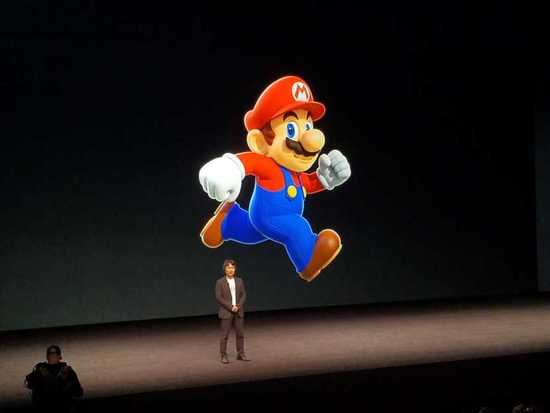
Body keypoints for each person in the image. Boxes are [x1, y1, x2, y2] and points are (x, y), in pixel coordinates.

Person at [24, 345, 83, 412]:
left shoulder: (67, 371)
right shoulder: (40, 370)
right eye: (51, 354)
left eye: (55, 353)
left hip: (62, 406)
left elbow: (78, 392)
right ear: (47, 356)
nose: (52, 356)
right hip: (45, 405)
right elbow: (28, 384)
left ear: (59, 356)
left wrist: (68, 388)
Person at [215, 259, 250, 363]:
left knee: (240, 334)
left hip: (238, 311)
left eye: (232, 268)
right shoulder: (220, 282)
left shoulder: (239, 281)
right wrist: (231, 307)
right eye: (228, 267)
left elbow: (243, 295)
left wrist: (238, 306)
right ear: (225, 269)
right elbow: (219, 297)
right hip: (227, 312)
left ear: (235, 269)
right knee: (224, 335)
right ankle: (223, 355)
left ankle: (240, 354)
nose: (231, 270)